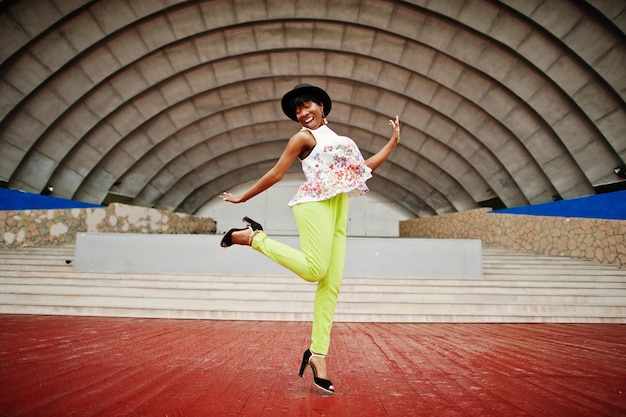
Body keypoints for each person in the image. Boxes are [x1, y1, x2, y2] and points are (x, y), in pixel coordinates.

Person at [219, 83, 400, 394]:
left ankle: (318, 356)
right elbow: (277, 173)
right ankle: (253, 238)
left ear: (321, 106)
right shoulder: (304, 138)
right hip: (313, 204)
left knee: (331, 285)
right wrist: (243, 198)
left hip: (339, 208)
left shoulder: (343, 141)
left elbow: (363, 170)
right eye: (297, 111)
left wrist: (393, 142)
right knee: (315, 270)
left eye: (307, 106)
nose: (302, 113)